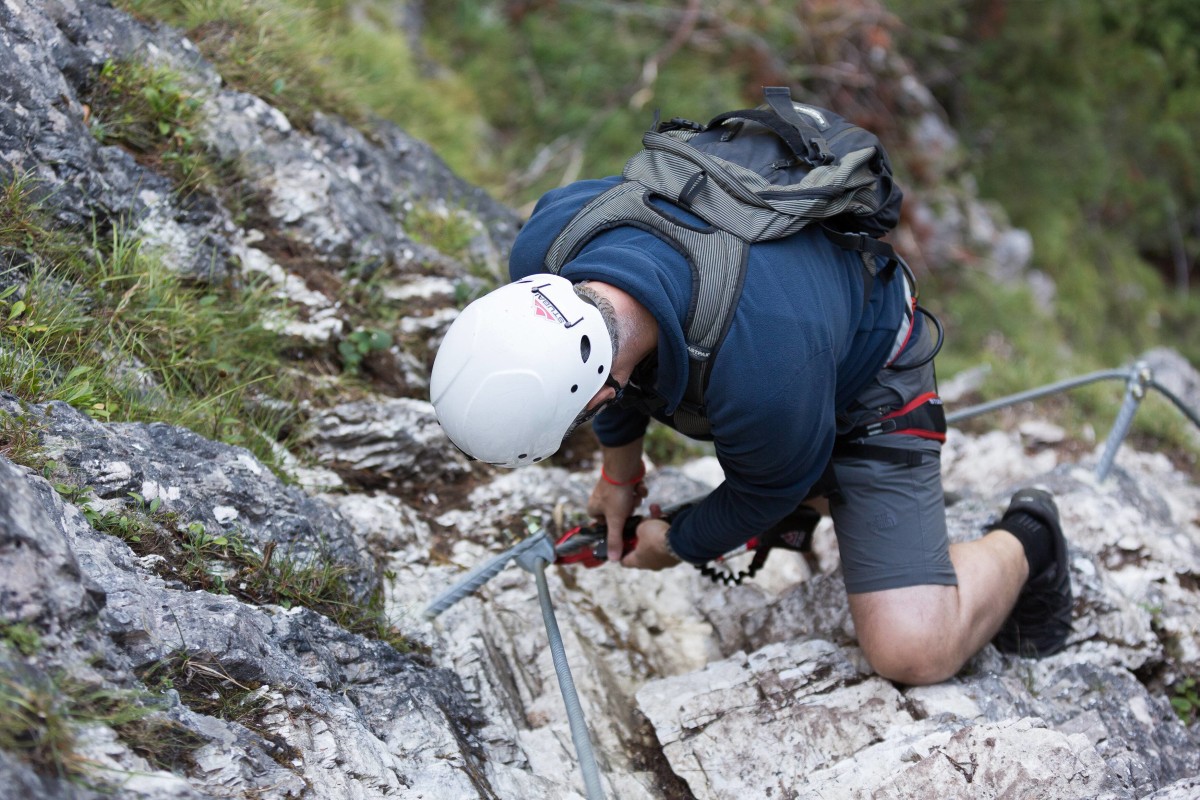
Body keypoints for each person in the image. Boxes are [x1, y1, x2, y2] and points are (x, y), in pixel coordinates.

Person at [430, 172, 1072, 686]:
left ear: (598, 392)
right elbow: (608, 355)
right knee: (787, 453)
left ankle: (1030, 539)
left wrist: (677, 541)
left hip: (870, 370)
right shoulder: (547, 246)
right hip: (784, 343)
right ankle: (852, 503)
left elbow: (762, 490)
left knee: (910, 649)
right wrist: (618, 470)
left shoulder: (762, 367)